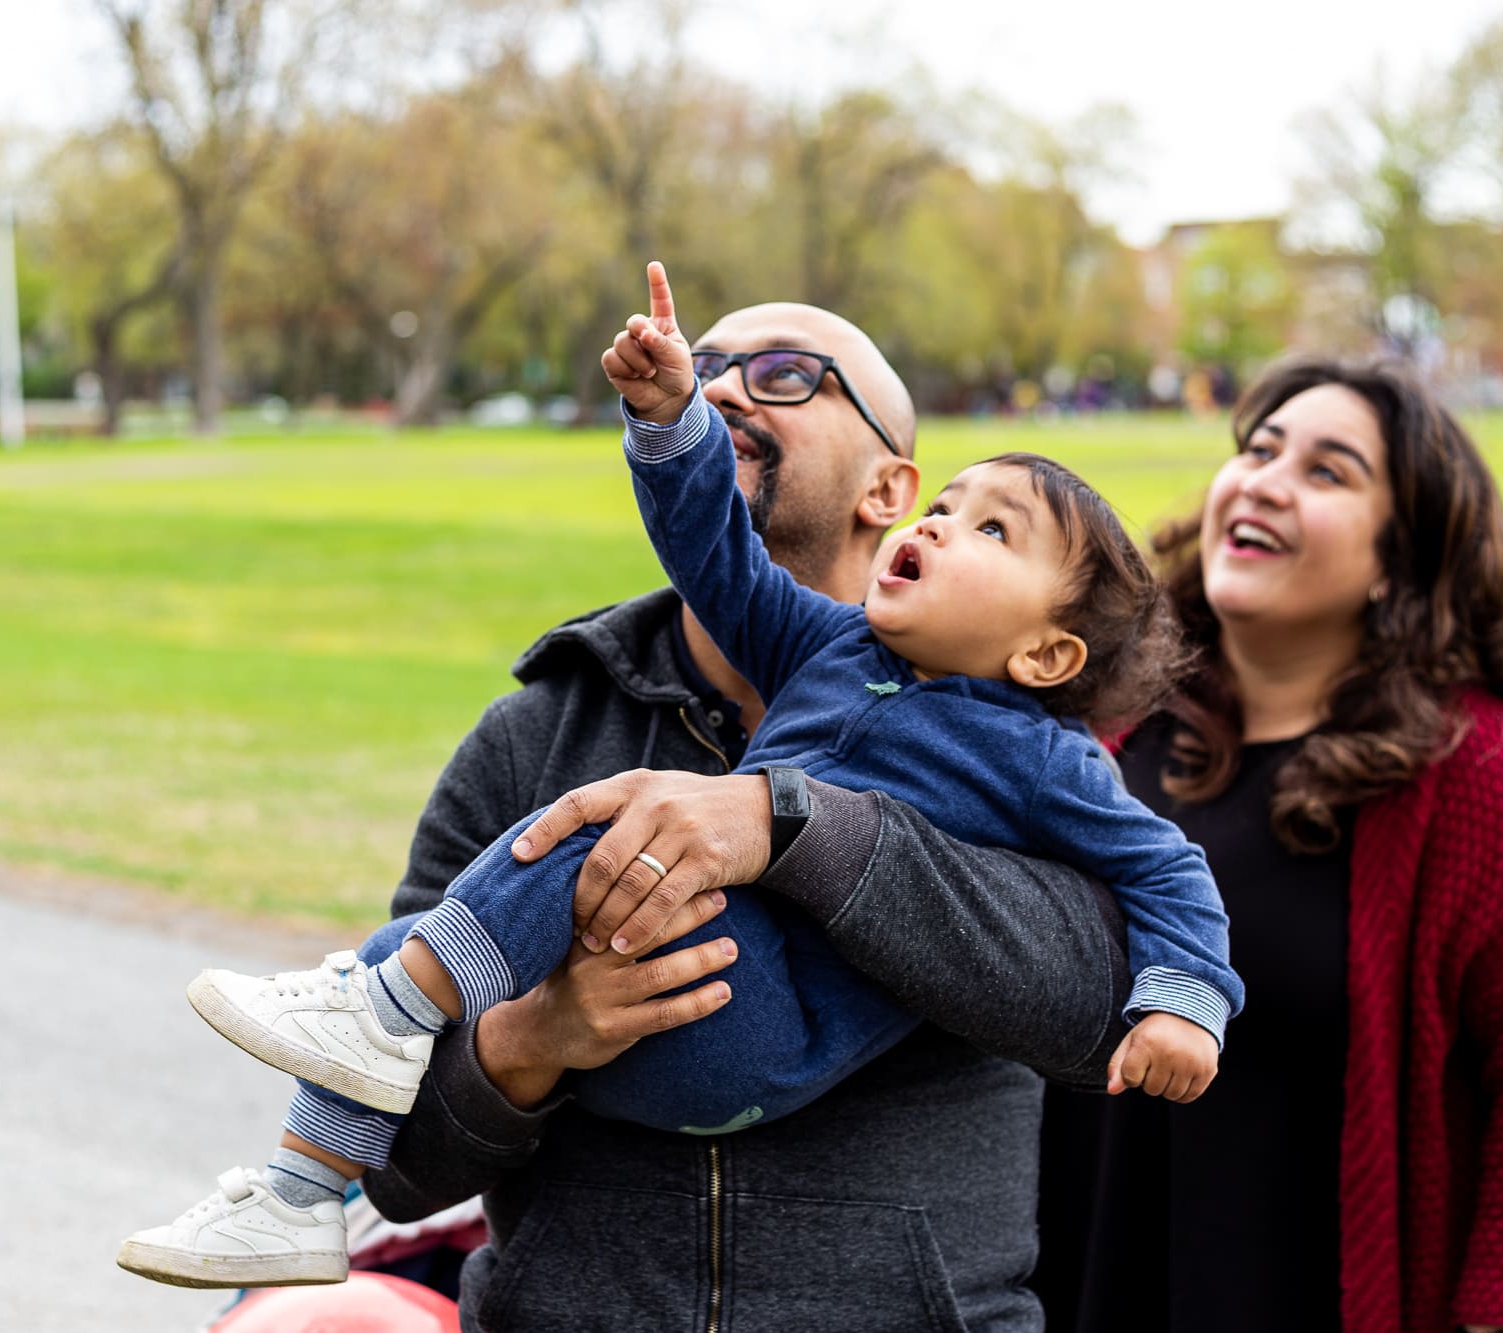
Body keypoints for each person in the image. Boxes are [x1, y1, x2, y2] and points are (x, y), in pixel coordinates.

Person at [117, 264, 1239, 1290]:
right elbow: (413, 1170)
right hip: (577, 1304)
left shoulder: (1042, 758)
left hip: (774, 1070)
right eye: (707, 367)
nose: (728, 389)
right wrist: (530, 1041)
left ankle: (384, 1003)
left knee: (586, 845)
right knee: (387, 996)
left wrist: (789, 822)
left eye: (785, 375)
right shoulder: (553, 729)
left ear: (884, 483)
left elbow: (1104, 971)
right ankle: (297, 1195)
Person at [1034, 358, 1503, 1332]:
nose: (1264, 478)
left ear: (1398, 557)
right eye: (1258, 449)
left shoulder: (1485, 783)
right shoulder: (1098, 723)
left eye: (1326, 470)